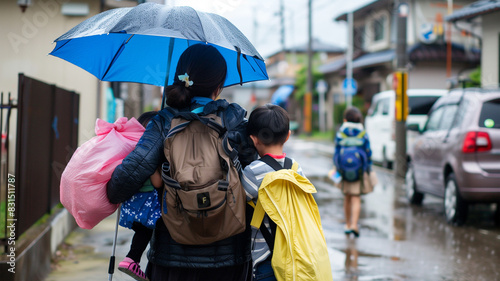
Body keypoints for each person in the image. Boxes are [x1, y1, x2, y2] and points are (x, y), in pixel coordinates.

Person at [106, 43, 256, 281]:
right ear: (219, 85)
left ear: (180, 79)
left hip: (171, 254)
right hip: (230, 256)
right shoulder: (235, 121)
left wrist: (113, 191)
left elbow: (129, 175)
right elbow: (254, 176)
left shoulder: (163, 121)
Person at [241, 104, 304, 281]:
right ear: (288, 136)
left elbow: (237, 201)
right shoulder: (296, 169)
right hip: (294, 256)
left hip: (266, 260)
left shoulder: (253, 172)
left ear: (253, 140)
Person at [117, 111, 162, 281]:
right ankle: (132, 260)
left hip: (132, 201)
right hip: (146, 202)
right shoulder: (150, 156)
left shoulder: (133, 150)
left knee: (141, 232)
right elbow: (157, 183)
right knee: (146, 231)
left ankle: (132, 259)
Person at [334, 107, 372, 238]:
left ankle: (348, 224)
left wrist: (337, 168)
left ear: (345, 119)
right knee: (356, 197)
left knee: (347, 197)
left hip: (344, 170)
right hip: (359, 171)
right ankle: (355, 225)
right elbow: (368, 153)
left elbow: (336, 152)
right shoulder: (363, 133)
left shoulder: (341, 132)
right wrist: (368, 169)